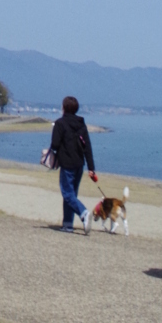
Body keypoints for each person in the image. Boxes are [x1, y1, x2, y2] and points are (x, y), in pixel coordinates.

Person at [50, 96, 99, 233]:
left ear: (64, 108)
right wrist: (91, 168)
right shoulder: (81, 124)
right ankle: (67, 225)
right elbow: (87, 147)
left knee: (67, 194)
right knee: (71, 195)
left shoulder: (60, 123)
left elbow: (54, 144)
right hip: (79, 164)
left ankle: (83, 213)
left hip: (67, 163)